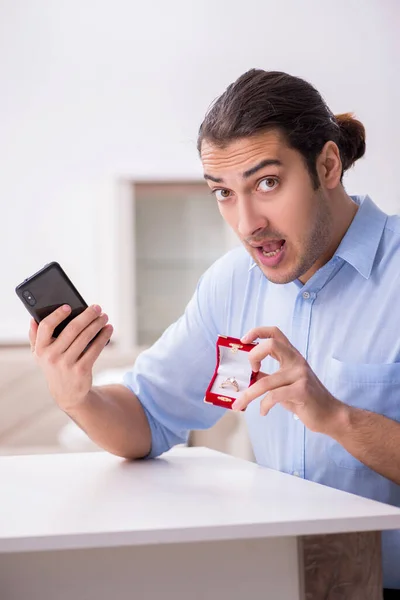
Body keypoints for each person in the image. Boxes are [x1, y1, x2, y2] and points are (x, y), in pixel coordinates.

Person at [29, 69, 400, 595]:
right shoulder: (232, 284)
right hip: (283, 583)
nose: (247, 222)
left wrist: (336, 417)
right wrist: (78, 397)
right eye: (223, 192)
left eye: (266, 183)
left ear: (328, 164)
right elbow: (148, 417)